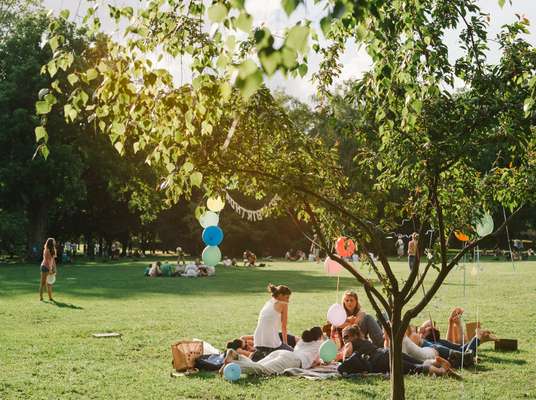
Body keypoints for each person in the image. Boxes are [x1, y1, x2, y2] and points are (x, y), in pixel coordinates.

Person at [337, 325, 450, 377]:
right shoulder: (365, 343)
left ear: (355, 336)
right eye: (343, 338)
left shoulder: (352, 345)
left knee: (415, 368)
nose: (344, 340)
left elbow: (341, 368)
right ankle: (437, 363)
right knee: (416, 362)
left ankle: (441, 372)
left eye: (346, 337)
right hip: (387, 352)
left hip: (383, 360)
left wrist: (345, 356)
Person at [222, 327, 323, 375]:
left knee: (257, 366)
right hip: (291, 360)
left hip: (282, 353)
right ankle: (233, 364)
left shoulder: (302, 341)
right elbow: (317, 361)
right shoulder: (319, 344)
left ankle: (237, 356)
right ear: (320, 336)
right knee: (262, 370)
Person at [252, 284, 293, 361]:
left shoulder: (268, 303)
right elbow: (284, 327)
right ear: (280, 295)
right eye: (287, 297)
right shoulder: (283, 304)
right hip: (272, 343)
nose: (288, 301)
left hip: (257, 342)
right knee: (294, 355)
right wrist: (286, 345)